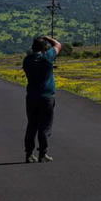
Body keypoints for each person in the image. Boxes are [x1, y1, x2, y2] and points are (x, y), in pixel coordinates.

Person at [22, 35, 61, 163]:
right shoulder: (47, 58)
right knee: (44, 126)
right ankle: (43, 153)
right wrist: (47, 38)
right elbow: (58, 45)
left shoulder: (27, 60)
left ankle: (29, 153)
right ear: (44, 48)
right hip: (46, 96)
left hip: (32, 96)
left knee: (32, 124)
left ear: (32, 48)